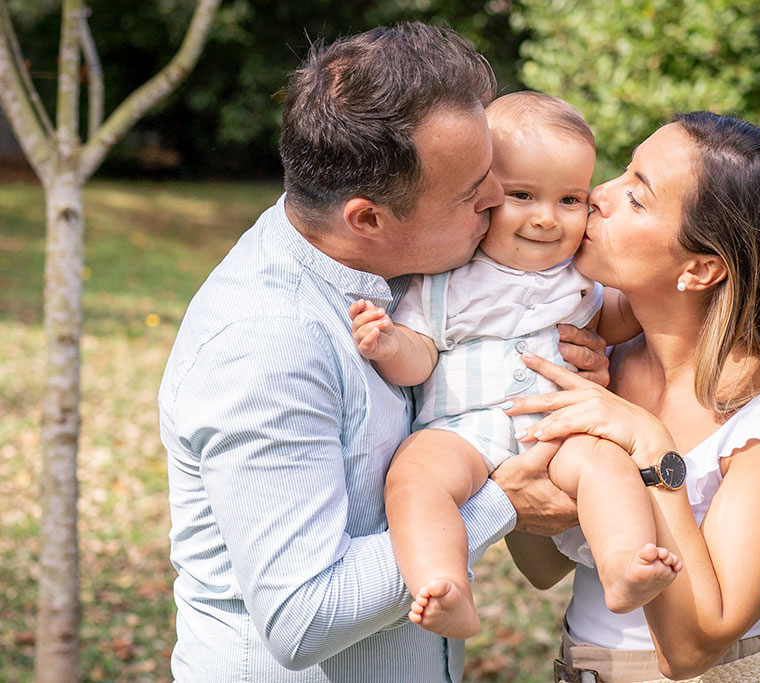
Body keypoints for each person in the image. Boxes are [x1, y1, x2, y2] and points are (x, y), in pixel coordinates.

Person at [158, 24, 608, 682]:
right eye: (472, 191)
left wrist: (554, 382)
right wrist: (501, 500)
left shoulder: (415, 277)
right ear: (367, 219)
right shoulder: (268, 344)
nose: (495, 200)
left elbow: (543, 561)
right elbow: (303, 616)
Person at [501, 111, 760, 682]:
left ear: (702, 267)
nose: (598, 196)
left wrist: (653, 448)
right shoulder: (600, 368)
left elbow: (692, 649)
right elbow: (542, 566)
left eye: (637, 198)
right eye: (620, 174)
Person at [349, 91, 682, 641]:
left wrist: (661, 286)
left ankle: (624, 564)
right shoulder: (445, 278)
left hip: (558, 432)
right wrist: (388, 346)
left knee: (606, 465)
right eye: (522, 195)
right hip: (462, 431)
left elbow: (624, 317)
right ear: (481, 198)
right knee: (415, 476)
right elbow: (420, 356)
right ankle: (444, 581)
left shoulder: (582, 280)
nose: (547, 219)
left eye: (571, 200)